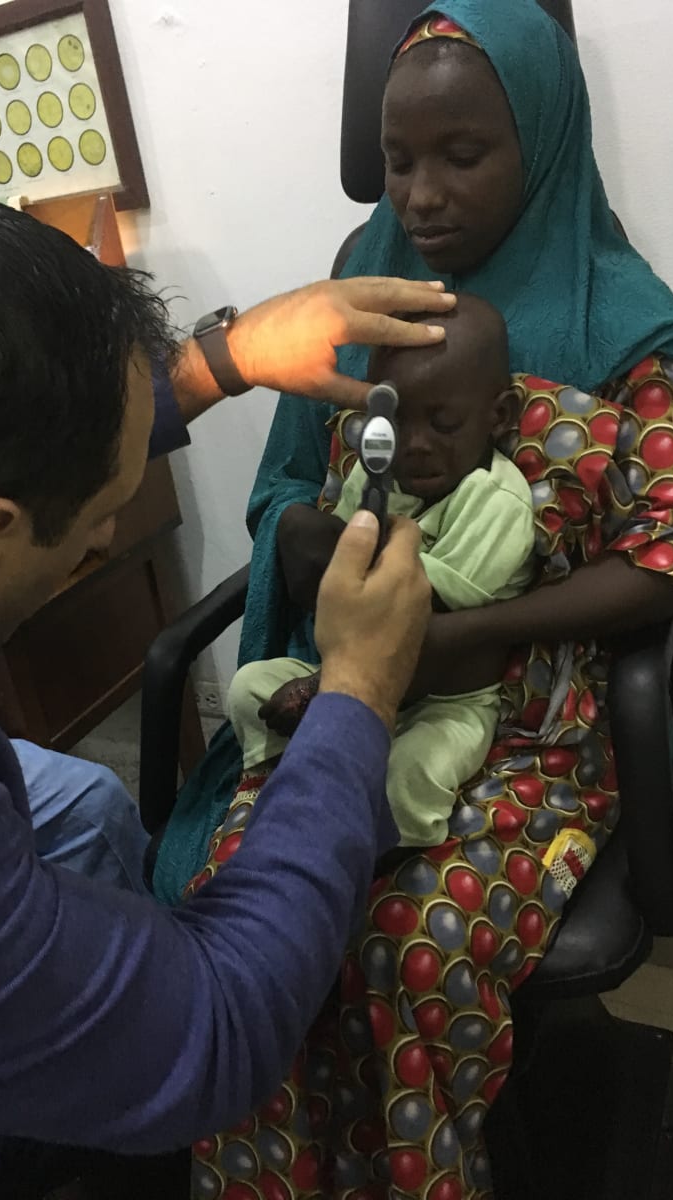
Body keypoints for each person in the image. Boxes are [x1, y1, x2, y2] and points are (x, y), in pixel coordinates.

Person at [0, 187, 459, 1200]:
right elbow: (220, 1025)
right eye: (101, 517)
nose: (109, 533)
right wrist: (358, 690)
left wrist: (222, 360)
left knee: (87, 805)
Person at [153, 2, 673, 1197]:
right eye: (399, 161)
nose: (425, 195)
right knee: (249, 916)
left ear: (541, 138)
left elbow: (670, 552)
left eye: (463, 154)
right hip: (354, 679)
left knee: (410, 940)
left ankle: (418, 1172)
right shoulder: (356, 287)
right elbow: (290, 484)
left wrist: (458, 637)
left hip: (531, 722)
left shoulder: (627, 320)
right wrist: (308, 540)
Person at [212, 295, 534, 861]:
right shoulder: (374, 474)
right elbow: (339, 571)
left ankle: (384, 856)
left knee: (411, 772)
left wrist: (323, 687)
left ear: (500, 415)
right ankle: (281, 782)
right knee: (247, 690)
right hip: (348, 674)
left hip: (444, 701)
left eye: (443, 423)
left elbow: (418, 610)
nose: (415, 444)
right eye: (395, 421)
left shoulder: (496, 500)